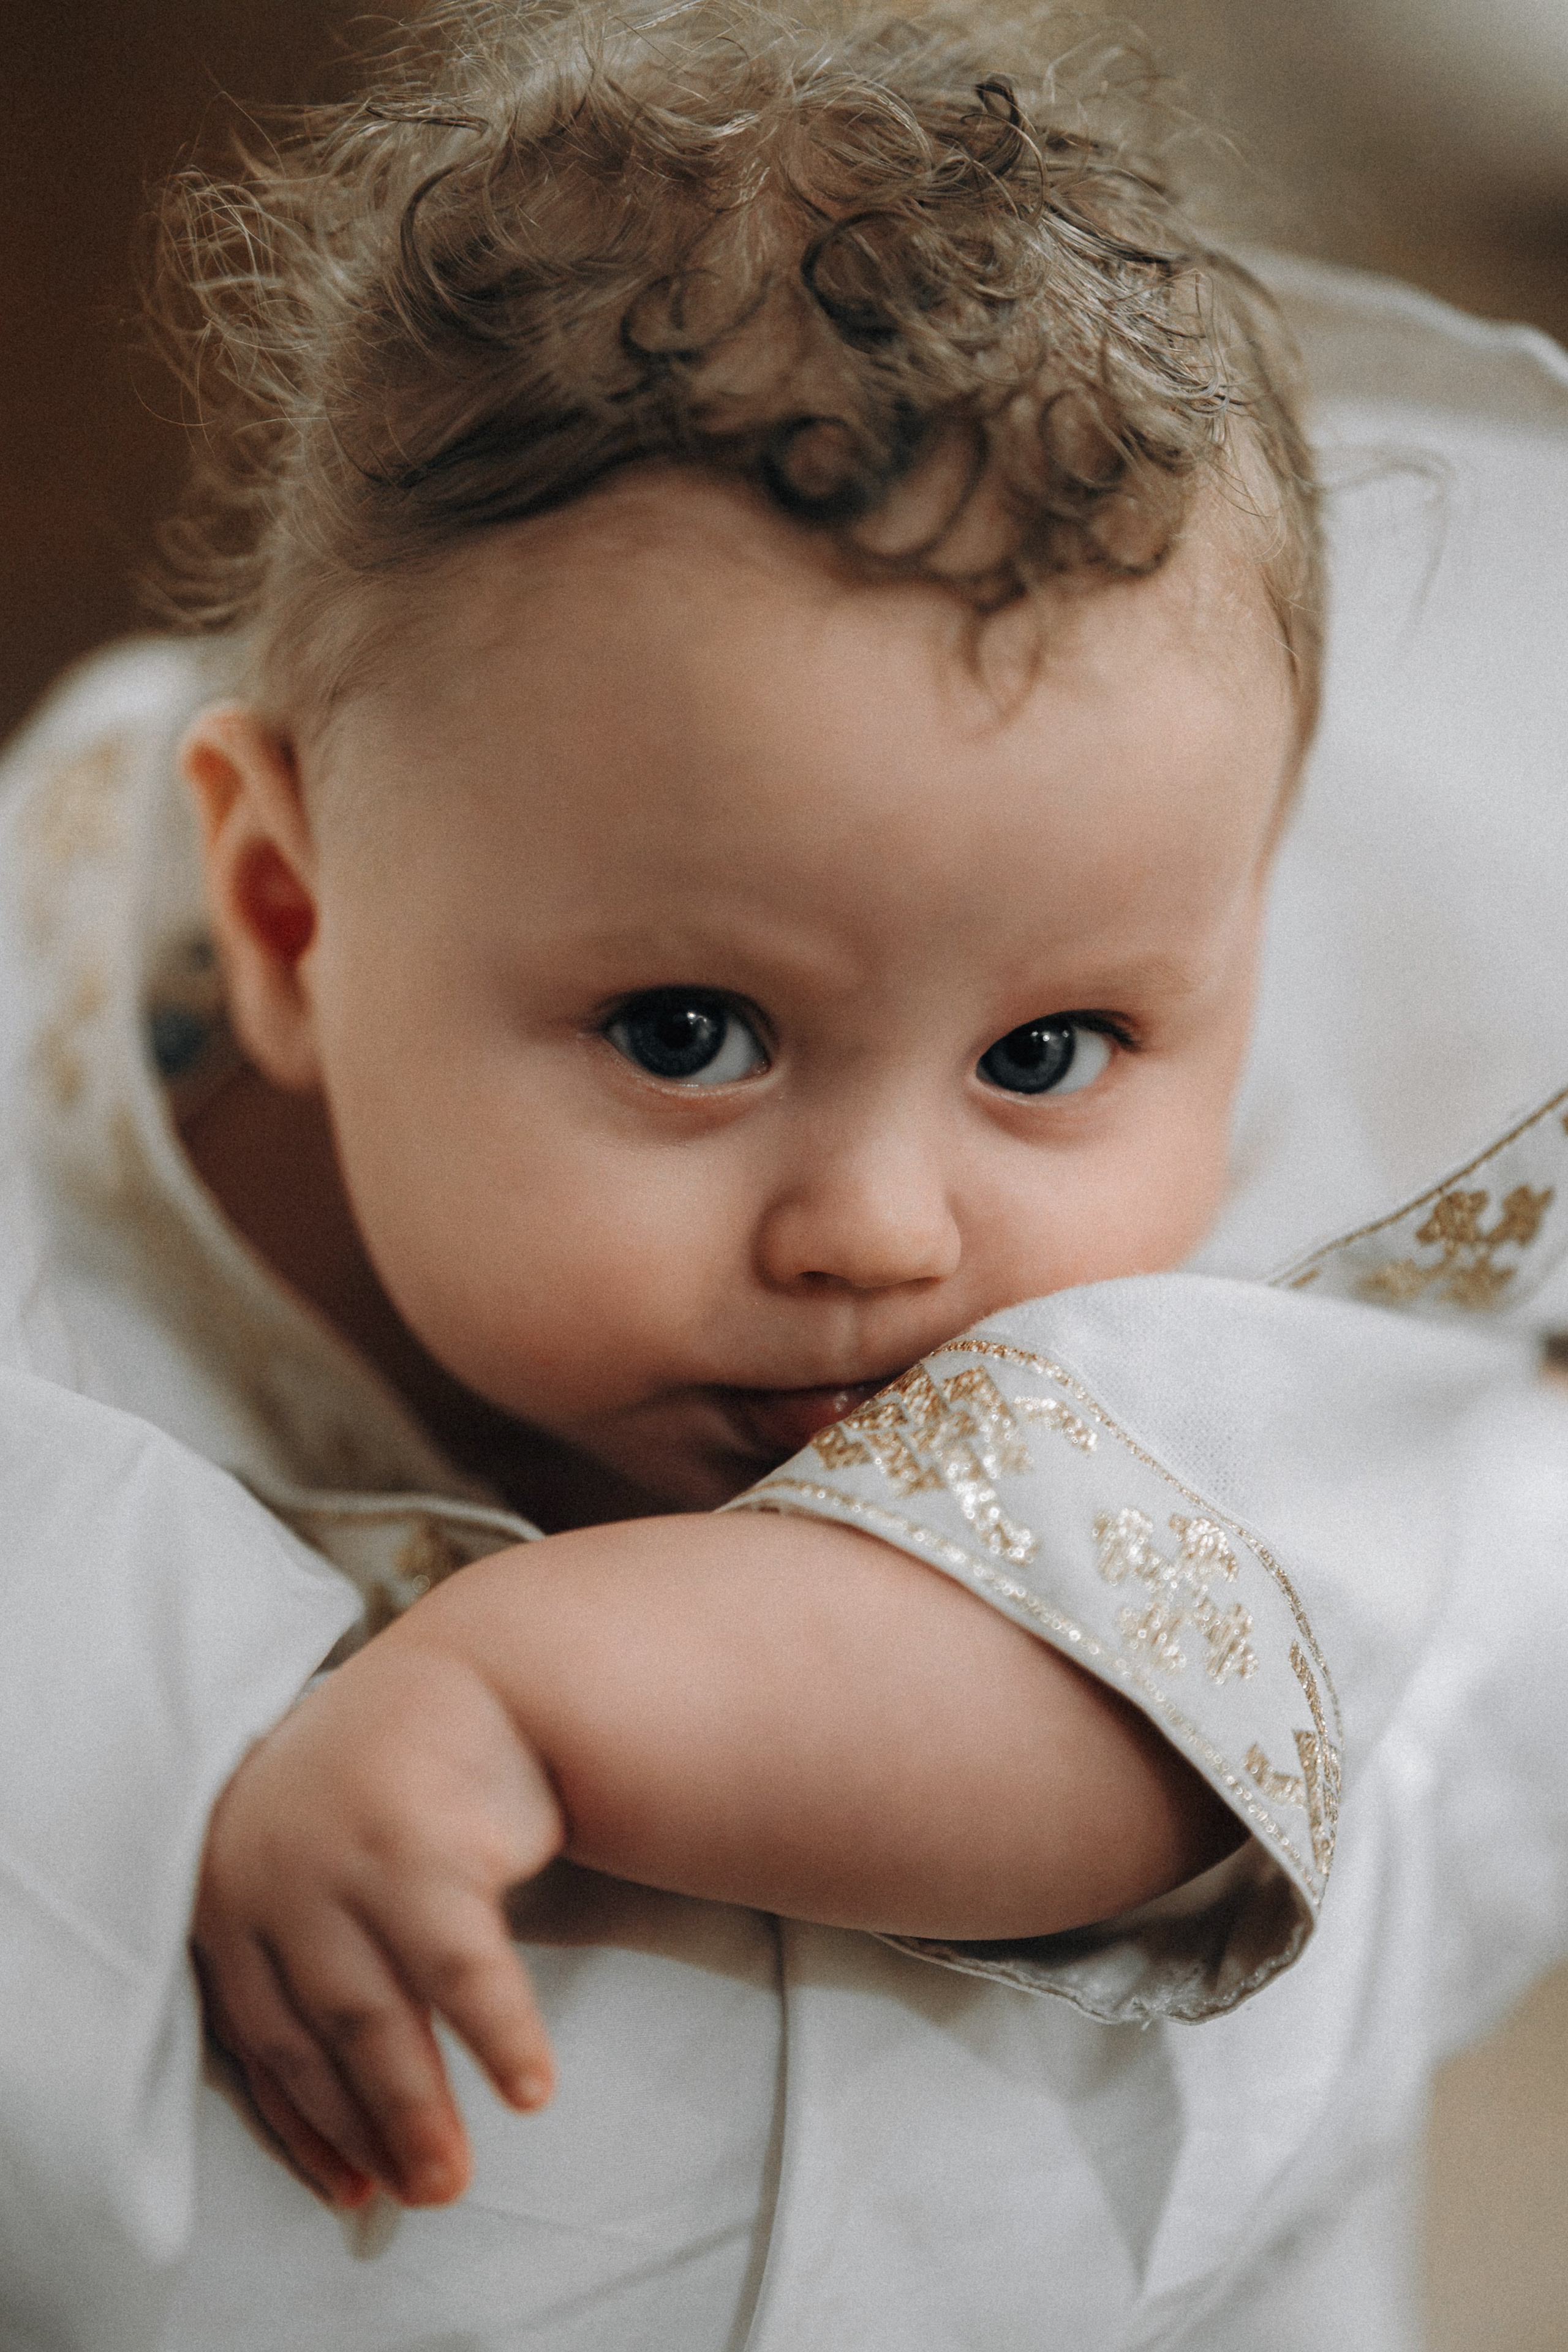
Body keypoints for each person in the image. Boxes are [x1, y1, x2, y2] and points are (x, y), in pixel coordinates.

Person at [4, 4, 1568, 2348]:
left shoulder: (1220, 1321)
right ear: (288, 914)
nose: (882, 1232)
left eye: (1045, 1054)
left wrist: (523, 1698)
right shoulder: (83, 1060)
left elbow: (1107, 1742)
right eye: (688, 1038)